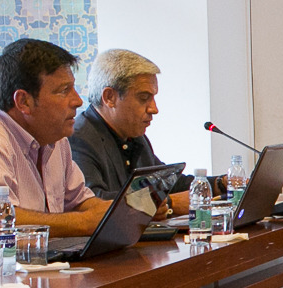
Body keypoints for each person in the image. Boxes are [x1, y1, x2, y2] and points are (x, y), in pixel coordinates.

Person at [0, 37, 116, 236]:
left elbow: (81, 202)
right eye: (64, 90)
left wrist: (122, 212)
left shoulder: (54, 135)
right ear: (24, 102)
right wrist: (83, 222)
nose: (77, 100)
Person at [71, 48, 192, 216]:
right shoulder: (78, 139)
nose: (154, 109)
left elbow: (167, 183)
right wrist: (167, 203)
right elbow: (93, 203)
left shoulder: (135, 137)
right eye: (144, 98)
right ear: (109, 97)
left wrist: (220, 183)